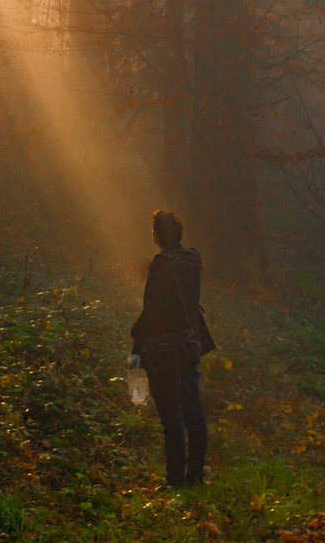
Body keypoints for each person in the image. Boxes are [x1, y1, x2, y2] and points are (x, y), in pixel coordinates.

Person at [131, 209, 216, 488]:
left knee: (172, 417)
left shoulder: (162, 263)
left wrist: (137, 332)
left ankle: (175, 480)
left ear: (156, 236)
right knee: (194, 412)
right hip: (189, 344)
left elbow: (155, 308)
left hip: (164, 349)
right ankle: (195, 475)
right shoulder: (192, 259)